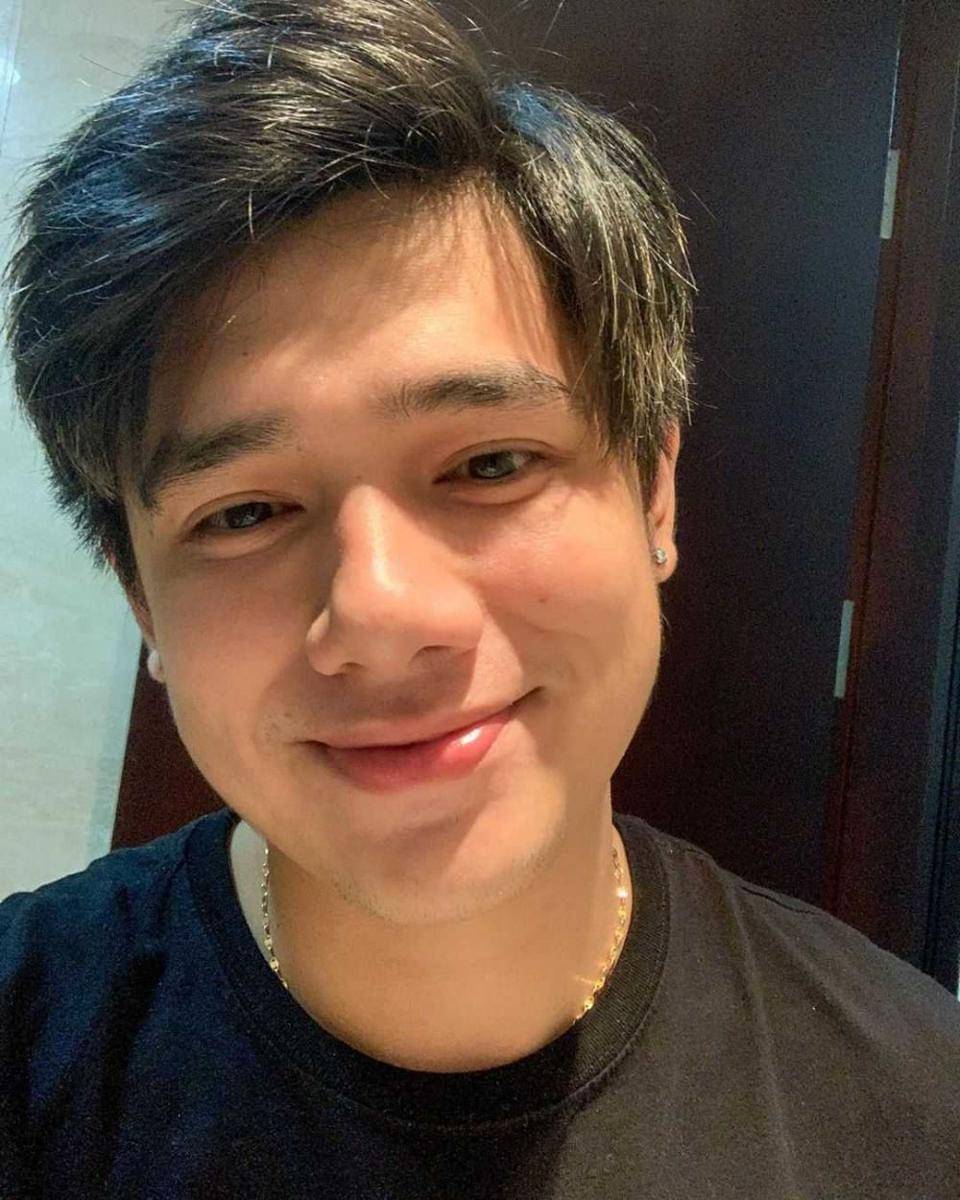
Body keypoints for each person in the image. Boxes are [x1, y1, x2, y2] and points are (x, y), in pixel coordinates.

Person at [1, 0, 957, 1195]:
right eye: (243, 513)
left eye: (491, 463)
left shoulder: (916, 1109)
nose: (382, 613)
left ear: (654, 491)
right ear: (142, 600)